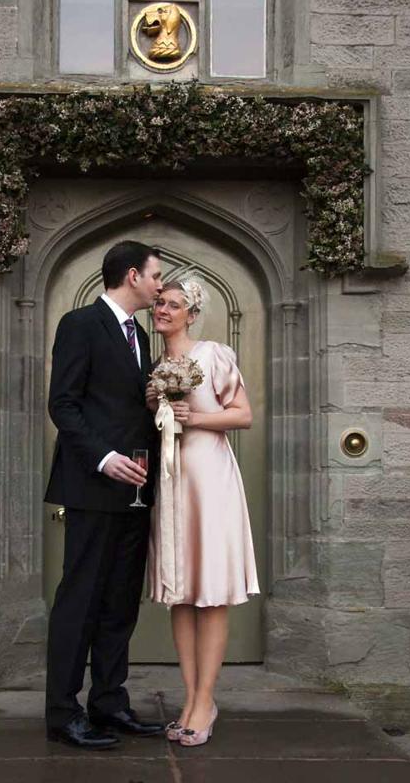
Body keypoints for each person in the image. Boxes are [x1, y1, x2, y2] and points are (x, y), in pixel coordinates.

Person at [44, 240, 164, 749]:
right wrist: (102, 458)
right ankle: (62, 713)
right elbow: (63, 406)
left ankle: (109, 703)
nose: (160, 285)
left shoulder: (139, 334)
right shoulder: (79, 325)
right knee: (81, 601)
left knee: (120, 603)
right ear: (132, 275)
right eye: (156, 276)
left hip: (136, 494)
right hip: (93, 488)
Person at [147, 275, 259, 747]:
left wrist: (197, 418)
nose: (164, 311)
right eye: (160, 304)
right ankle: (190, 697)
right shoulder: (156, 365)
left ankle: (206, 700)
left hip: (210, 478)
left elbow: (243, 414)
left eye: (174, 305)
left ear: (192, 314)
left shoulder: (212, 354)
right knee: (182, 591)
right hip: (172, 482)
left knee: (210, 590)